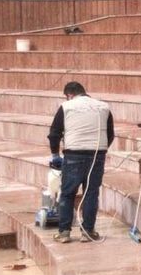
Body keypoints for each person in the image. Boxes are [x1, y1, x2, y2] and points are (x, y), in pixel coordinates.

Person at [47, 82, 114, 243]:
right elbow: (110, 134)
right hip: (97, 155)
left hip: (73, 155)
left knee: (68, 194)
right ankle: (88, 232)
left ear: (69, 94)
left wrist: (55, 154)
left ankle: (64, 233)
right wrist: (99, 150)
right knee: (91, 193)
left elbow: (54, 133)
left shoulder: (67, 106)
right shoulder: (103, 107)